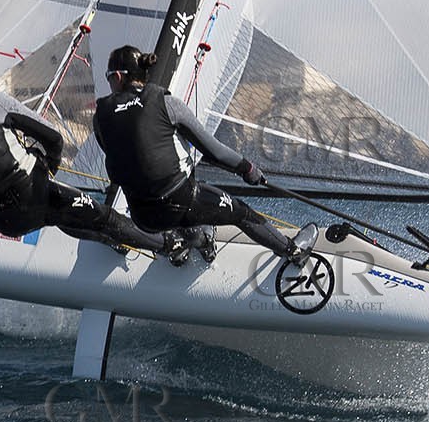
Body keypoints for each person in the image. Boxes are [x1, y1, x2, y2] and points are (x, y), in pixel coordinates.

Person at [0, 47, 174, 257]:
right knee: (102, 216)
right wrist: (49, 165)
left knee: (60, 216)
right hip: (35, 195)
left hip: (3, 221)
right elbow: (53, 136)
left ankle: (111, 241)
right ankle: (168, 245)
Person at [92, 44, 316, 267]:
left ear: (118, 77)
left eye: (108, 77)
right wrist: (248, 169)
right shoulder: (165, 102)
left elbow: (127, 158)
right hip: (181, 202)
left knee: (178, 208)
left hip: (143, 217)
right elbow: (214, 151)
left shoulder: (100, 116)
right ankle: (293, 251)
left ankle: (185, 245)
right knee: (241, 213)